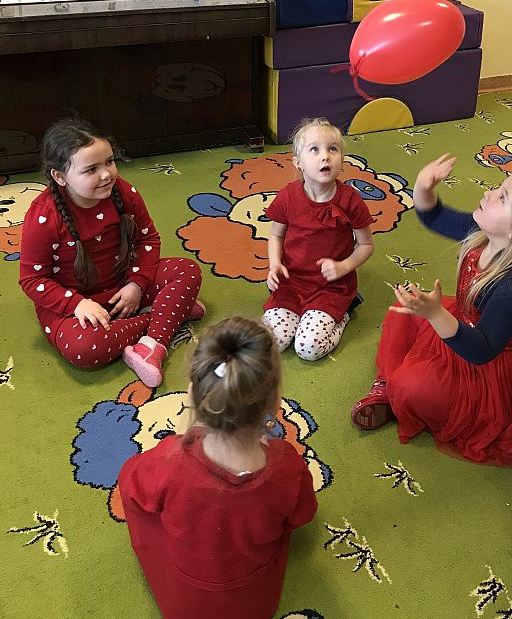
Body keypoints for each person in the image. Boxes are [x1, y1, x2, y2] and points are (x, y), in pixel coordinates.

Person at [351, 155, 512, 466]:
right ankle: (385, 386)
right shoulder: (481, 234)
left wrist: (435, 315)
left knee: (413, 388)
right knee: (400, 312)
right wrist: (424, 187)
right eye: (497, 188)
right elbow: (433, 216)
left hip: (490, 365)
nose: (488, 193)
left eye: (502, 197)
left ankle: (396, 390)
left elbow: (481, 350)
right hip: (459, 324)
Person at [119, 316, 318, 619]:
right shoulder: (288, 467)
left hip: (184, 605)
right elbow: (304, 513)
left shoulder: (168, 462)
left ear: (191, 394)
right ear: (275, 404)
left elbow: (130, 482)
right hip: (255, 605)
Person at [19, 118, 204, 387]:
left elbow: (148, 240)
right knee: (84, 349)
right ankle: (168, 314)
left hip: (124, 288)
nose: (106, 174)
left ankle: (152, 344)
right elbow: (33, 280)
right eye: (91, 169)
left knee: (187, 270)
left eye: (109, 161)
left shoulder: (125, 192)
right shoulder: (44, 217)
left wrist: (136, 284)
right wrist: (77, 304)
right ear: (60, 177)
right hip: (74, 305)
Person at [264, 118, 374, 361]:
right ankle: (304, 316)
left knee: (308, 348)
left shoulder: (350, 200)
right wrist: (274, 264)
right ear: (299, 163)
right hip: (292, 282)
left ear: (341, 159)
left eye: (332, 149)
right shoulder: (288, 196)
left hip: (331, 287)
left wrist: (343, 267)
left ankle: (344, 311)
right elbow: (276, 235)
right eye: (314, 149)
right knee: (270, 342)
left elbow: (366, 244)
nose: (325, 156)